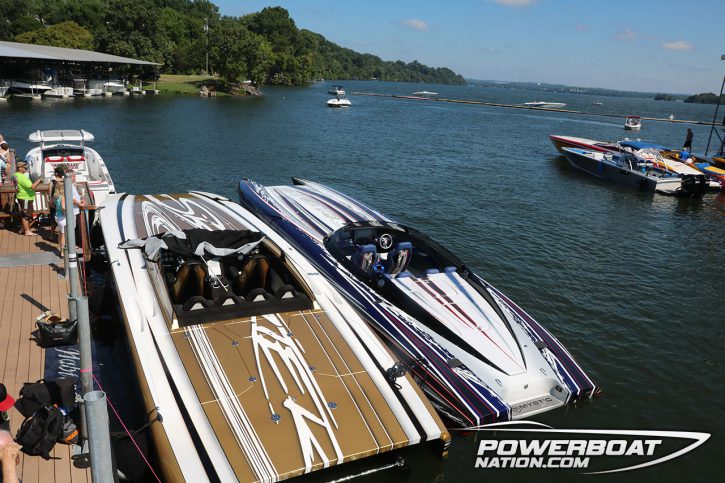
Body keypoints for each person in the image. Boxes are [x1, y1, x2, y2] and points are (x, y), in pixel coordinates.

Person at [13, 161, 41, 236]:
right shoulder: (22, 177)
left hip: (22, 196)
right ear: (19, 168)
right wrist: (40, 180)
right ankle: (27, 231)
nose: (26, 168)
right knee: (25, 215)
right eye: (24, 167)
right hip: (25, 197)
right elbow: (32, 187)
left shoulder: (15, 175)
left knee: (25, 213)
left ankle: (23, 229)